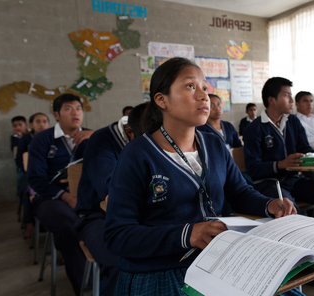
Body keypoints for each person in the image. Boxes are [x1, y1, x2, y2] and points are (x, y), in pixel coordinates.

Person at [103, 58, 299, 296]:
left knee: (287, 289)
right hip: (159, 269)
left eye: (205, 88)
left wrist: (268, 204)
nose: (204, 96)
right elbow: (118, 235)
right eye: (190, 86)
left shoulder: (214, 144)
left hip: (215, 257)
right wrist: (188, 234)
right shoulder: (137, 154)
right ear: (161, 100)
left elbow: (239, 192)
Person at [243, 77, 314, 219]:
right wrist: (281, 164)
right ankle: (308, 233)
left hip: (293, 180)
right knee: (290, 209)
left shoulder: (293, 121)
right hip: (269, 184)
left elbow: (304, 149)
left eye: (291, 95)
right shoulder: (254, 128)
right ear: (271, 100)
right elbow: (253, 168)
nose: (291, 100)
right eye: (286, 95)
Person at [27, 94, 94, 295]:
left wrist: (95, 137)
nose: (75, 113)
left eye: (79, 108)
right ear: (56, 114)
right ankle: (85, 287)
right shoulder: (43, 139)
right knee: (69, 225)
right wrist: (66, 197)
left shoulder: (93, 136)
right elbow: (35, 179)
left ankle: (110, 277)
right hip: (51, 197)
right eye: (68, 109)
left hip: (84, 195)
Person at [74, 104, 144, 296]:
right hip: (97, 217)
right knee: (121, 263)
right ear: (129, 132)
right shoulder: (102, 140)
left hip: (142, 217)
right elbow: (110, 190)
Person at [16, 112, 50, 239]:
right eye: (38, 121)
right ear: (31, 125)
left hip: (49, 174)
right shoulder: (26, 139)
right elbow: (19, 160)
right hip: (32, 173)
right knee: (28, 188)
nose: (42, 124)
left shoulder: (52, 138)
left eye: (44, 121)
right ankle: (28, 223)